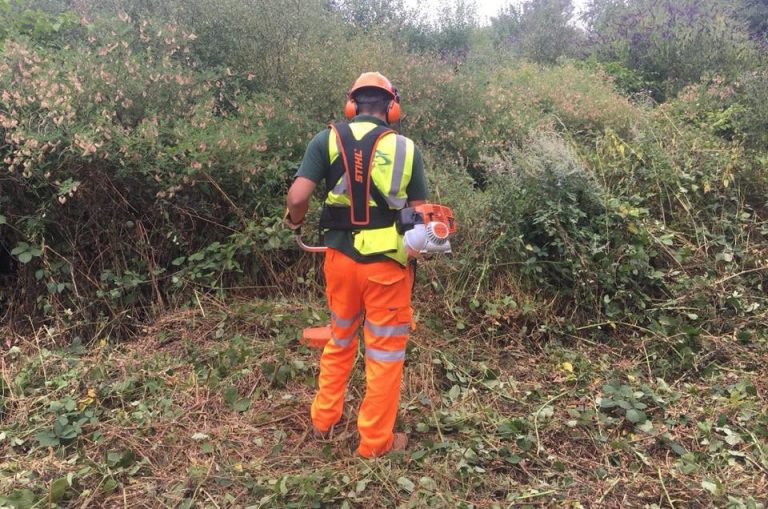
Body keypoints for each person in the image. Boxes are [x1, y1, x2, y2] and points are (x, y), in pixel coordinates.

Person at [285, 72, 428, 457]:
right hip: (387, 268)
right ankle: (375, 443)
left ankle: (323, 420)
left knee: (339, 338)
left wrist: (296, 221)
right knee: (384, 354)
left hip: (340, 262)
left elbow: (298, 196)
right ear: (391, 107)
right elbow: (419, 216)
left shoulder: (326, 138)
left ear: (352, 104)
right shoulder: (406, 148)